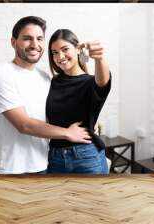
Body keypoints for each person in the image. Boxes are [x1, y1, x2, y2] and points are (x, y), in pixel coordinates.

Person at [0, 17, 91, 174]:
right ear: (13, 42)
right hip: (11, 169)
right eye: (27, 39)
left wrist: (88, 122)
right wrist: (67, 133)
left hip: (44, 165)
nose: (35, 45)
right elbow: (24, 124)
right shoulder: (2, 74)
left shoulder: (45, 77)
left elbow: (53, 114)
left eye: (39, 39)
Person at [46, 29, 111, 174]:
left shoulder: (90, 82)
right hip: (55, 157)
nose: (60, 56)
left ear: (77, 49)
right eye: (54, 52)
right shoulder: (52, 82)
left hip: (87, 156)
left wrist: (99, 58)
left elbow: (103, 82)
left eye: (65, 49)